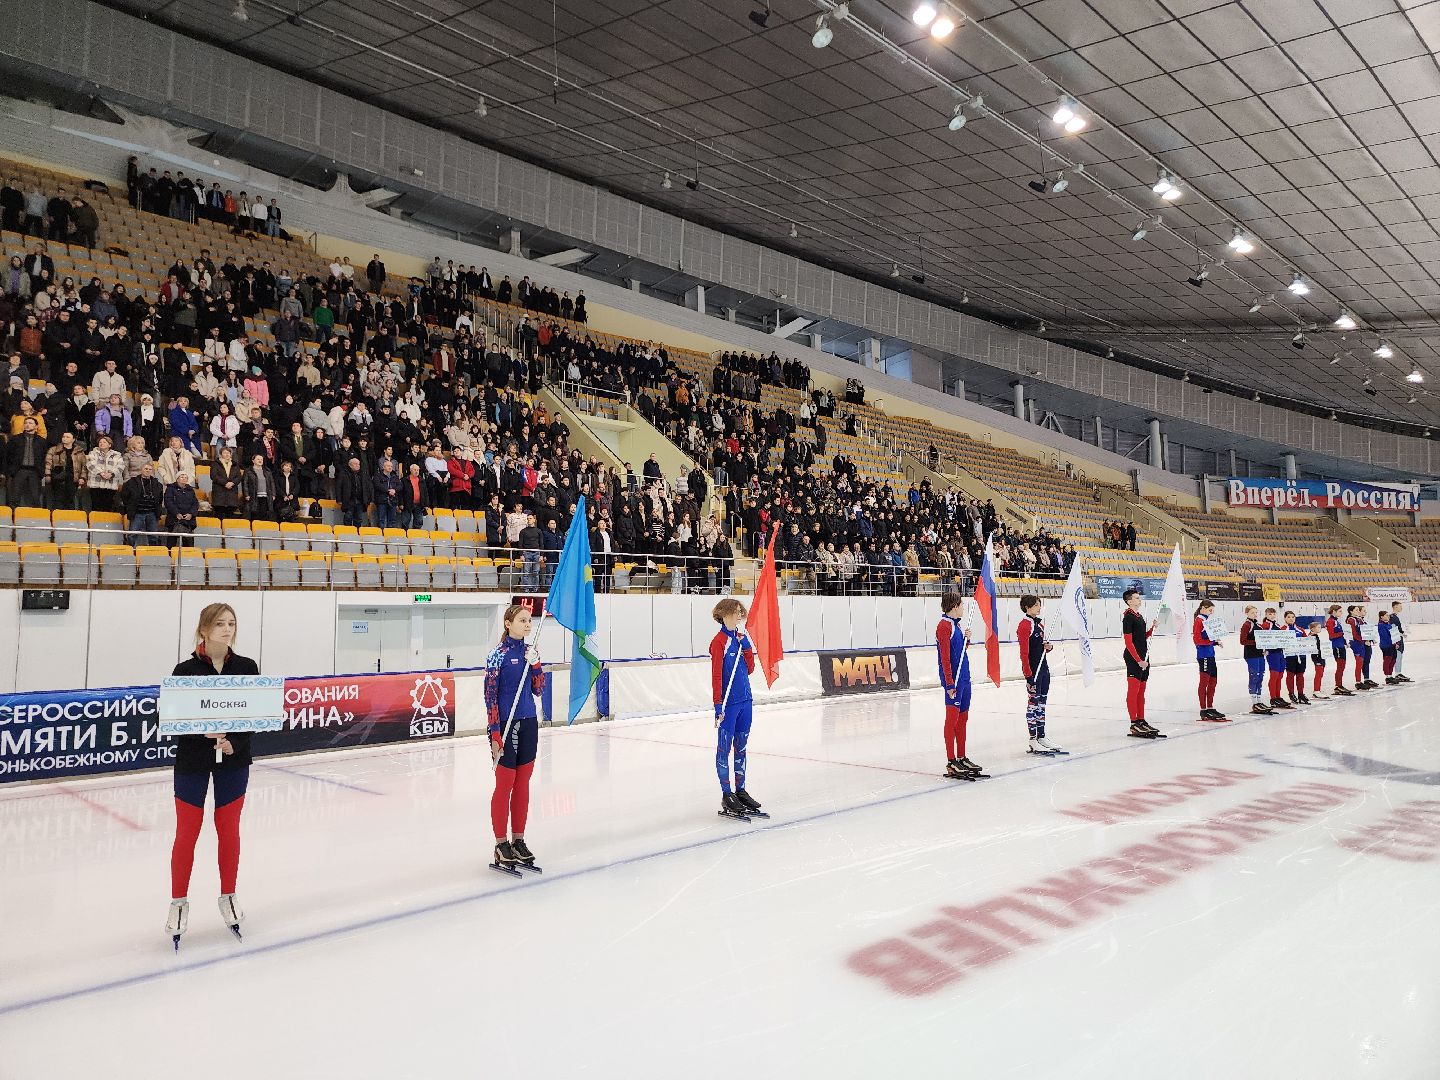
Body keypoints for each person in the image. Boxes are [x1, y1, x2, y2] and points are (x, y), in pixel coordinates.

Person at [165, 603, 259, 948]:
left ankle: (228, 894)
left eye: (231, 623)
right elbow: (175, 719)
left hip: (234, 761)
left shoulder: (247, 667)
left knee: (228, 830)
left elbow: (253, 713)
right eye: (219, 623)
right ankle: (178, 902)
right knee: (187, 831)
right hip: (192, 760)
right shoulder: (185, 669)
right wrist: (199, 733)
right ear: (203, 629)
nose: (227, 629)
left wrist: (234, 742)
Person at [485, 603, 546, 873]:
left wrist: (536, 665)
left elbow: (539, 689)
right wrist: (495, 732)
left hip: (529, 722)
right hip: (506, 727)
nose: (527, 624)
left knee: (523, 784)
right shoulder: (496, 656)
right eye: (522, 620)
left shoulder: (530, 652)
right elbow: (489, 698)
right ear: (508, 623)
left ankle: (518, 840)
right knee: (505, 784)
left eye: (529, 621)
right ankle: (501, 844)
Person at [710, 598, 762, 817]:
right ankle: (726, 793)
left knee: (741, 747)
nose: (740, 614)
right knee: (724, 748)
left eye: (742, 611)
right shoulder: (719, 642)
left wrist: (748, 648)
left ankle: (740, 791)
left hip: (745, 701)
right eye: (736, 611)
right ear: (725, 613)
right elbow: (717, 677)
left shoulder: (741, 639)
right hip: (729, 705)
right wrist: (717, 705)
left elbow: (749, 669)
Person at [936, 590, 982, 779]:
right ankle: (951, 760)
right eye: (961, 604)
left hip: (964, 678)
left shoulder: (957, 625)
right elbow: (945, 658)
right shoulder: (943, 626)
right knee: (952, 720)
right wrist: (948, 683)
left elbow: (960, 652)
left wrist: (967, 640)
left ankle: (961, 756)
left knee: (962, 719)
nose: (963, 607)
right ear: (954, 606)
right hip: (953, 681)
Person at [1017, 594, 1064, 752]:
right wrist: (1028, 676)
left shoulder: (1040, 625)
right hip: (1034, 672)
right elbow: (1024, 654)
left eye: (1039, 604)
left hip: (1044, 669)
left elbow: (1040, 647)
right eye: (1036, 605)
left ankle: (1041, 736)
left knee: (1041, 705)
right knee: (1033, 705)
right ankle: (1032, 739)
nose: (1039, 607)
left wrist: (1048, 647)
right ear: (1027, 607)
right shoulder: (1024, 625)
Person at [1121, 588, 1163, 738]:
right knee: (1134, 690)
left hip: (1144, 658)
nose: (1140, 600)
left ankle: (1141, 720)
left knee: (1141, 691)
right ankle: (1134, 723)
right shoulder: (1128, 617)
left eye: (1139, 597)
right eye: (1137, 598)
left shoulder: (1138, 616)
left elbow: (1141, 637)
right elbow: (1128, 641)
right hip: (1134, 659)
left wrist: (1152, 629)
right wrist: (1138, 660)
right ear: (1129, 601)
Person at [1192, 600, 1227, 721]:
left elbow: (1208, 638)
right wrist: (1213, 642)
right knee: (1204, 682)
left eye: (1212, 610)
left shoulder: (1206, 621)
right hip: (1204, 655)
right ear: (1203, 608)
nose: (1211, 613)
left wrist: (1215, 641)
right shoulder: (1199, 621)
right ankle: (1203, 710)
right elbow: (1197, 640)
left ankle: (1210, 707)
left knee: (1213, 681)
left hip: (1210, 655)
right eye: (1210, 610)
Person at [5, 416, 46, 508]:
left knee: (35, 498)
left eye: (30, 423)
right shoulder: (15, 439)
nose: (27, 425)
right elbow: (8, 455)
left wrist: (42, 472)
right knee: (14, 497)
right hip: (19, 470)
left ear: (36, 426)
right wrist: (10, 470)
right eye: (26, 423)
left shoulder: (42, 441)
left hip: (35, 471)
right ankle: (13, 519)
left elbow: (44, 457)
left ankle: (35, 520)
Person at [1238, 605, 1272, 715]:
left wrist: (1265, 648)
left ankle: (1259, 700)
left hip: (1259, 654)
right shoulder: (1246, 625)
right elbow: (1243, 641)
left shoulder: (1258, 625)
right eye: (1252, 612)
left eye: (1256, 612)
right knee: (1254, 676)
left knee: (1260, 676)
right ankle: (1254, 702)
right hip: (1251, 654)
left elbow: (1264, 638)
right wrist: (1257, 643)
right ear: (1247, 613)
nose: (1255, 614)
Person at [1258, 608, 1293, 709]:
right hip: (1272, 653)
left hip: (1280, 652)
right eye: (1270, 614)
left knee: (1280, 675)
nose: (1272, 616)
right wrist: (1264, 649)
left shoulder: (1277, 625)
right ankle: (1273, 698)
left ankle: (1278, 696)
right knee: (1274, 675)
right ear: (1266, 614)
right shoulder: (1265, 625)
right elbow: (1262, 638)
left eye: (1274, 614)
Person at [1281, 611, 1310, 705]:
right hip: (1289, 656)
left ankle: (1301, 694)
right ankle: (1291, 694)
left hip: (1301, 656)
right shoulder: (1282, 630)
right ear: (1285, 618)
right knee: (1290, 675)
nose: (1291, 619)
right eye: (1288, 617)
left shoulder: (1300, 630)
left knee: (1300, 675)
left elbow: (1306, 641)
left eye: (1293, 617)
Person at [1324, 604, 1353, 696]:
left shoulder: (1336, 621)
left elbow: (1340, 634)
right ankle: (1337, 686)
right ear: (1334, 611)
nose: (1341, 613)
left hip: (1340, 645)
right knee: (1340, 666)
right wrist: (1342, 633)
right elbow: (1331, 636)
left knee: (1342, 666)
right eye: (1340, 611)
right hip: (1336, 646)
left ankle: (1339, 685)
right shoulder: (1330, 621)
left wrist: (1345, 641)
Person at [1346, 605, 1375, 690]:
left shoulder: (1358, 619)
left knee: (1362, 662)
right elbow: (1354, 634)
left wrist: (1369, 639)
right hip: (1356, 643)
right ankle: (1358, 682)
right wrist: (1364, 641)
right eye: (1356, 610)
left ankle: (1361, 681)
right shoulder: (1351, 620)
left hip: (1360, 642)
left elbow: (1364, 631)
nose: (1358, 611)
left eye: (1359, 610)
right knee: (1359, 662)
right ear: (1351, 611)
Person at [1305, 619, 1329, 700]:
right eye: (1318, 627)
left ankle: (1318, 689)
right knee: (1318, 673)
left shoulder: (1316, 635)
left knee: (1321, 673)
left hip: (1321, 656)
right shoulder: (1310, 637)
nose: (1320, 629)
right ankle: (1316, 691)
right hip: (1316, 657)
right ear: (1312, 629)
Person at [1389, 601, 1411, 683]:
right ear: (1395, 606)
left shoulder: (1396, 617)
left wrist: (1402, 633)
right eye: (1400, 606)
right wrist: (1398, 636)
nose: (1401, 608)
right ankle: (1397, 674)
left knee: (1400, 655)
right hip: (1397, 639)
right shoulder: (1392, 617)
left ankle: (1399, 672)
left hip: (1399, 637)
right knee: (1398, 655)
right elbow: (1393, 629)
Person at [1378, 611, 1399, 685]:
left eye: (1388, 615)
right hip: (1386, 645)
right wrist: (1393, 642)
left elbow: (1394, 635)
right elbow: (1385, 636)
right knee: (1388, 660)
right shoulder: (1381, 625)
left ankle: (1390, 675)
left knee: (1393, 660)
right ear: (1381, 617)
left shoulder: (1389, 624)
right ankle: (1387, 677)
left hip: (1392, 645)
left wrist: (1396, 642)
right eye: (1386, 615)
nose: (1388, 616)